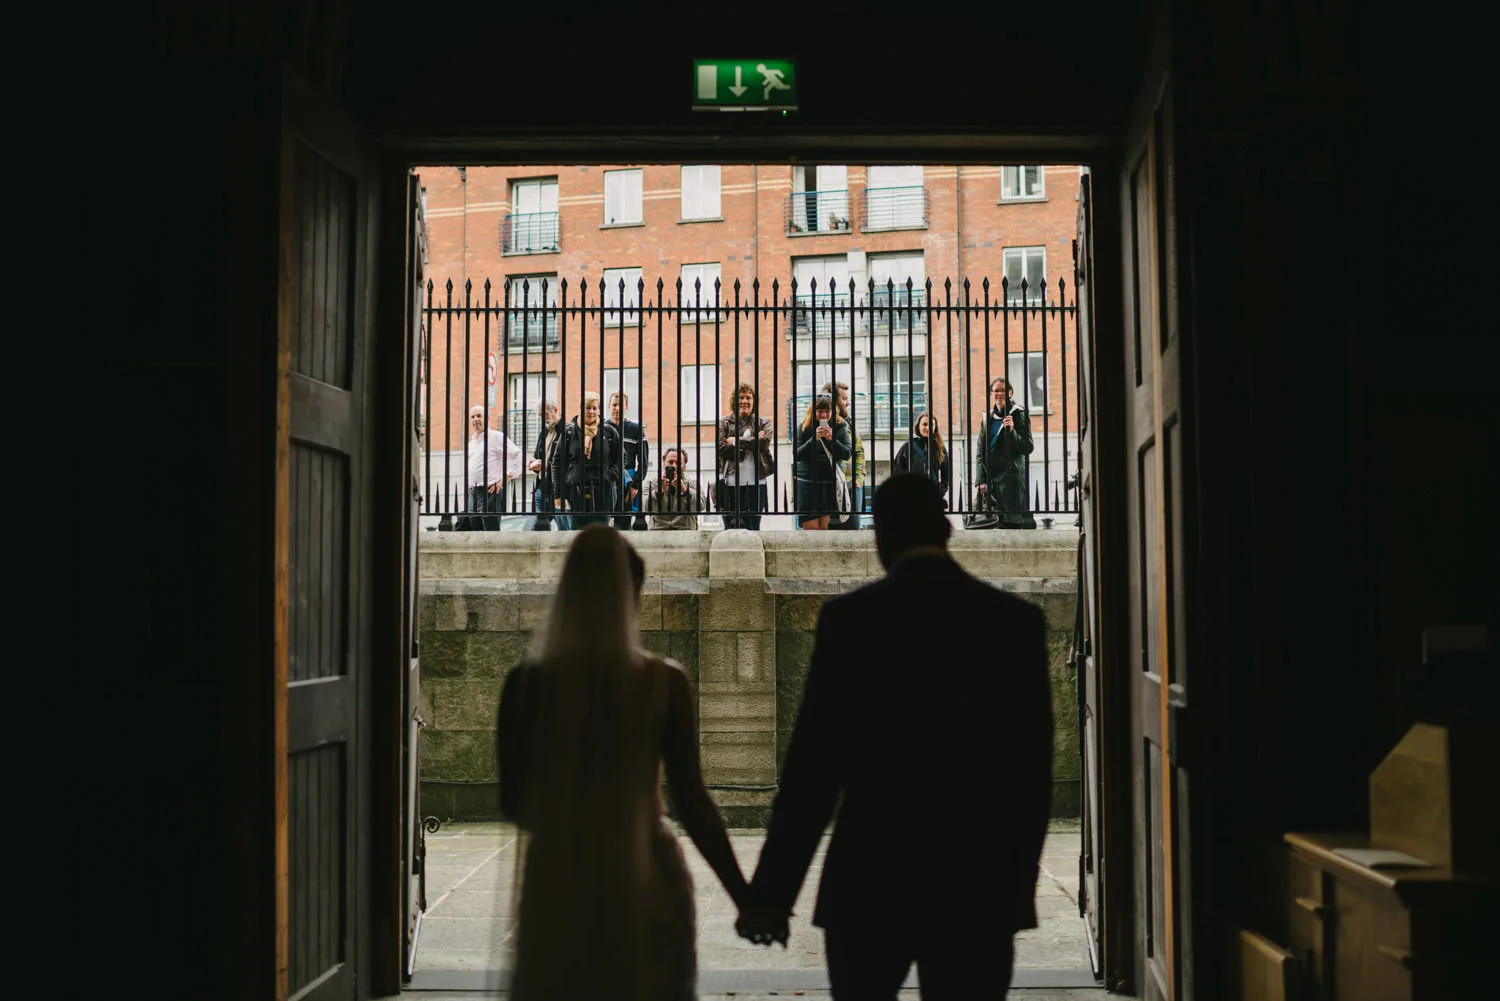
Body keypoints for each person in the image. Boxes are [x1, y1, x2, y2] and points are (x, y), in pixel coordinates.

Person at [736, 474, 1053, 999]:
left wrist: (772, 893)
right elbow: (1031, 774)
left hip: (870, 877)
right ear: (947, 529)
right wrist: (1015, 889)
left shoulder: (850, 622)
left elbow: (812, 773)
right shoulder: (1014, 624)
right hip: (974, 881)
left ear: (880, 536)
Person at [497, 526, 753, 1001]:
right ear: (630, 596)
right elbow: (692, 800)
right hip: (646, 870)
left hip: (559, 872)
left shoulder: (525, 685)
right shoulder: (663, 682)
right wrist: (745, 896)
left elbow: (514, 802)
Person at [551, 391, 620, 528]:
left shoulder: (609, 432)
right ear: (581, 409)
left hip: (602, 491)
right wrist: (558, 494)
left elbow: (620, 458)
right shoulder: (569, 432)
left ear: (599, 409)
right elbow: (557, 463)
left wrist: (610, 474)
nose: (591, 411)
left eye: (595, 408)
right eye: (588, 408)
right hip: (575, 492)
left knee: (601, 534)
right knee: (577, 534)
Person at [975, 377, 1037, 529]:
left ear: (1010, 392)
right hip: (992, 483)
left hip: (1011, 482)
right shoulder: (987, 418)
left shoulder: (1019, 414)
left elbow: (1027, 447)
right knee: (991, 525)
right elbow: (980, 450)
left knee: (1011, 525)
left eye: (1003, 390)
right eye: (996, 391)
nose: (999, 394)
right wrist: (980, 479)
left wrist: (1012, 431)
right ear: (991, 394)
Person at [715, 383, 774, 530]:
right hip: (730, 482)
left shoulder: (763, 422)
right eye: (741, 397)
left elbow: (764, 444)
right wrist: (753, 440)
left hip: (756, 483)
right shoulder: (724, 423)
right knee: (730, 529)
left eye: (748, 397)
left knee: (753, 528)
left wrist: (734, 441)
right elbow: (721, 448)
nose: (744, 401)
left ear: (754, 401)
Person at [457, 404, 524, 531]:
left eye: (479, 416)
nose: (475, 419)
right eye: (472, 417)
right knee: (474, 528)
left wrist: (504, 479)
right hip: (473, 492)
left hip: (490, 491)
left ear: (486, 418)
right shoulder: (471, 443)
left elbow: (517, 453)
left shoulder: (496, 437)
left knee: (490, 528)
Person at [794, 393, 852, 531]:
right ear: (813, 411)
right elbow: (797, 454)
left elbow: (847, 453)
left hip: (829, 483)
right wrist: (814, 439)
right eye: (820, 411)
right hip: (808, 483)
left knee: (826, 528)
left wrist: (833, 440)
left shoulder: (840, 426)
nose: (824, 415)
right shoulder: (804, 427)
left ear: (833, 411)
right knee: (811, 528)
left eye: (827, 411)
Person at [821, 381, 866, 530]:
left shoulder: (850, 422)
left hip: (852, 485)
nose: (848, 403)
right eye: (844, 399)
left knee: (852, 531)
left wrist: (859, 479)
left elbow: (859, 451)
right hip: (828, 486)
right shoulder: (819, 422)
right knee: (830, 533)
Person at [608, 391, 650, 532]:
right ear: (609, 406)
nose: (617, 408)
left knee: (623, 524)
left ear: (626, 407)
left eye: (621, 405)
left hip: (627, 482)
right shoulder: (602, 428)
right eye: (614, 405)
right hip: (606, 481)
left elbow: (643, 461)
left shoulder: (635, 429)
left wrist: (636, 485)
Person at [526, 401, 570, 531]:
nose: (543, 419)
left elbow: (568, 462)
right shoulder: (543, 432)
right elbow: (536, 455)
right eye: (540, 416)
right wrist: (532, 463)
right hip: (541, 488)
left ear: (555, 410)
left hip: (559, 489)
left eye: (545, 414)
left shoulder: (568, 431)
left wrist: (546, 466)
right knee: (534, 530)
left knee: (565, 530)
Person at [891, 411, 951, 504]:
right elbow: (897, 472)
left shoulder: (940, 448)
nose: (928, 428)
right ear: (918, 426)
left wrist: (937, 493)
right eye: (924, 424)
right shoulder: (908, 446)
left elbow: (946, 477)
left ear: (935, 427)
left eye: (931, 424)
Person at [641, 447, 704, 530]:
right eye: (670, 462)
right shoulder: (651, 484)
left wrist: (684, 489)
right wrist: (658, 491)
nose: (674, 466)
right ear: (664, 464)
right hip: (658, 531)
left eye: (678, 463)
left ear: (684, 466)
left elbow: (701, 506)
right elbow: (645, 508)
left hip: (685, 531)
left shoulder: (692, 484)